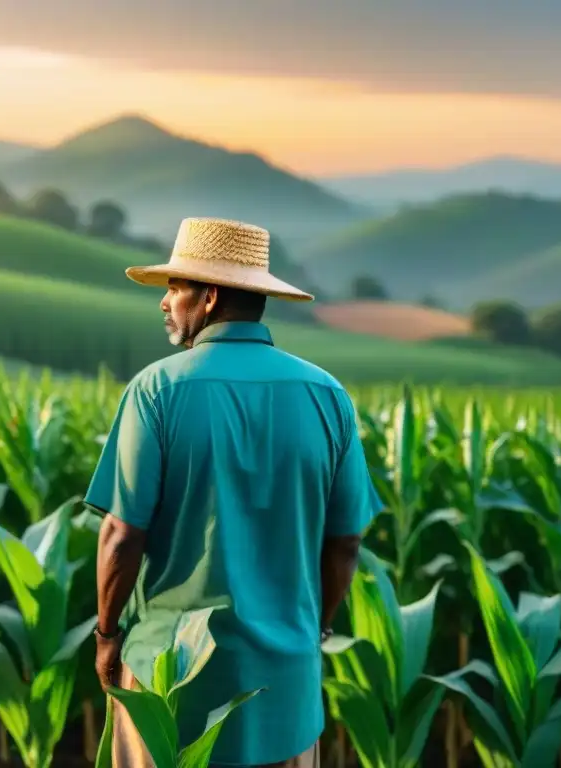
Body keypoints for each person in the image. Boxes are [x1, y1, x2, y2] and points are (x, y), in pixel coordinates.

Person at [84, 217, 383, 767]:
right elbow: (345, 542)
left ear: (211, 295)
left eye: (176, 287)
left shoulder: (157, 389)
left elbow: (122, 534)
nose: (165, 302)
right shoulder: (328, 395)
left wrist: (107, 637)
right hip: (283, 685)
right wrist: (315, 628)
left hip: (169, 677)